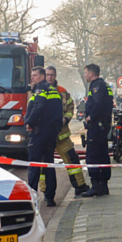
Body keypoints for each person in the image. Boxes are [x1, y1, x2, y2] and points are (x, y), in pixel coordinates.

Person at [40, 66, 90, 197]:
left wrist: (65, 119)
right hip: (45, 135)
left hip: (61, 134)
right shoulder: (39, 90)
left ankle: (80, 186)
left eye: (52, 75)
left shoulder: (62, 92)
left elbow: (70, 107)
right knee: (44, 165)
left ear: (55, 76)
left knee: (72, 159)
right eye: (47, 75)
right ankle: (45, 191)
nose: (49, 77)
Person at [25, 66, 63, 206]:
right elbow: (59, 112)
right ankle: (50, 197)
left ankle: (32, 198)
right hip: (51, 134)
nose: (32, 78)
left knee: (34, 166)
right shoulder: (54, 90)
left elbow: (38, 107)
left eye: (34, 75)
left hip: (39, 132)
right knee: (49, 165)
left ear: (41, 77)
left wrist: (30, 122)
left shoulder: (40, 90)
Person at [81, 63, 113, 198]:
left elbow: (98, 104)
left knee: (92, 155)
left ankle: (95, 185)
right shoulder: (104, 85)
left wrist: (91, 117)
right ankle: (103, 185)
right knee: (102, 154)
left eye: (85, 73)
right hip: (103, 126)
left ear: (91, 73)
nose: (85, 75)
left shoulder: (96, 86)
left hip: (96, 126)